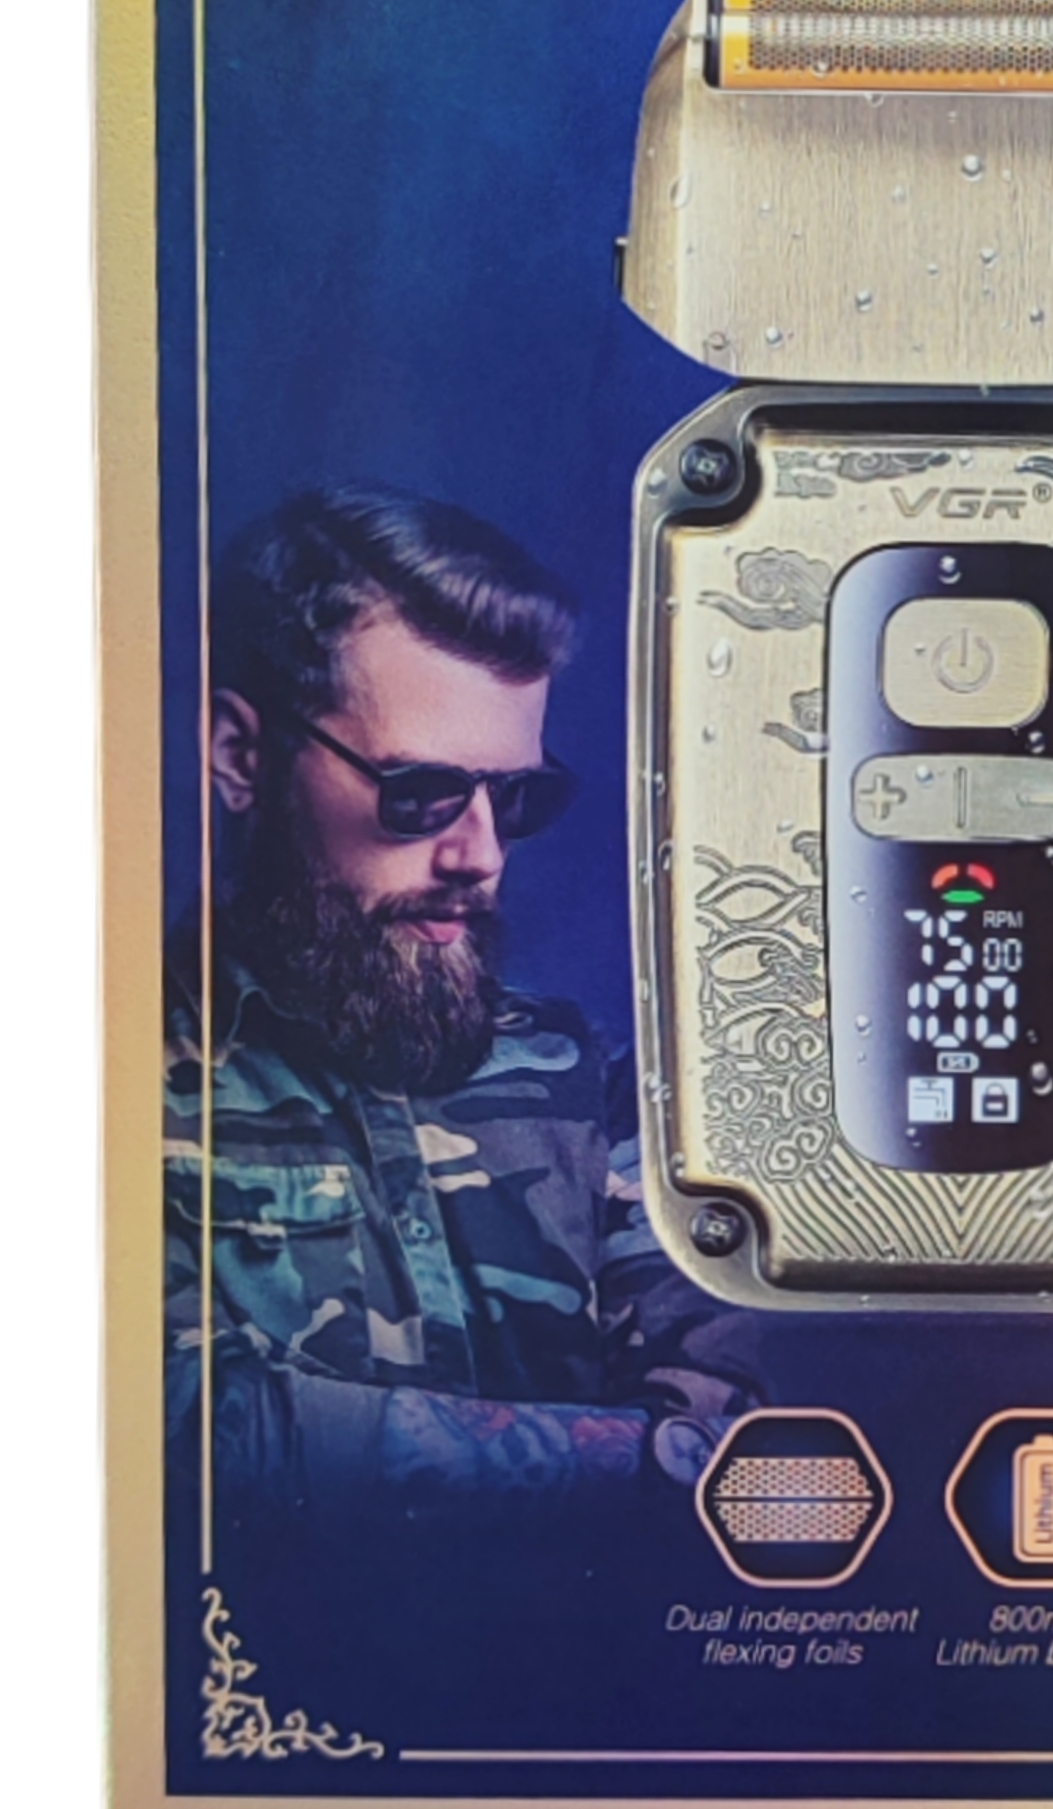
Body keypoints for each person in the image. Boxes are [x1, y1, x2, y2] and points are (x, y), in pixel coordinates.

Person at [165, 485, 750, 1541]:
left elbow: (748, 1418)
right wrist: (645, 1460)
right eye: (421, 793)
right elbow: (187, 1434)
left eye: (514, 798)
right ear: (242, 757)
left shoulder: (587, 1078)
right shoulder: (108, 1086)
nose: (479, 855)